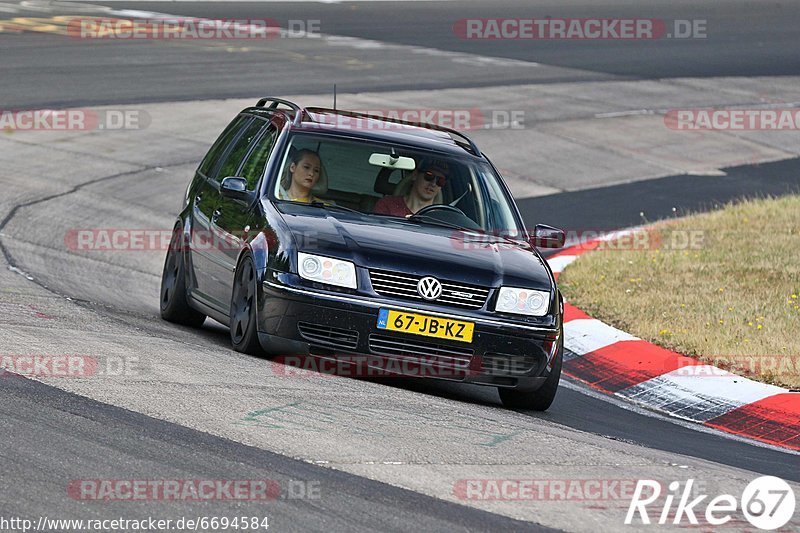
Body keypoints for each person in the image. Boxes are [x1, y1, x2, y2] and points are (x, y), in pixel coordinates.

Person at [373, 159, 448, 217]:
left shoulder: (443, 219)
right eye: (429, 176)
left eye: (440, 181)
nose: (433, 184)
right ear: (415, 175)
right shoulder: (387, 204)